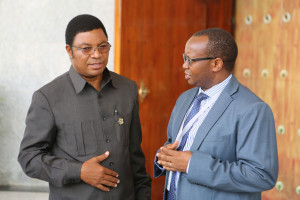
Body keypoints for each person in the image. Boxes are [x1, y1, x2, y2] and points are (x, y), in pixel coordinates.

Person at [18, 14, 151, 200]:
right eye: (86, 49)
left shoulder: (127, 89)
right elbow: (29, 158)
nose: (96, 54)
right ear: (69, 51)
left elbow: (135, 157)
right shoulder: (47, 98)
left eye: (102, 47)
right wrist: (79, 171)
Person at [154, 28, 278, 200]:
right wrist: (164, 156)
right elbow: (173, 143)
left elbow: (260, 175)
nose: (184, 65)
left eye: (190, 60)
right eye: (184, 58)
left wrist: (191, 164)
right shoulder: (185, 98)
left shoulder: (253, 109)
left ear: (216, 64)